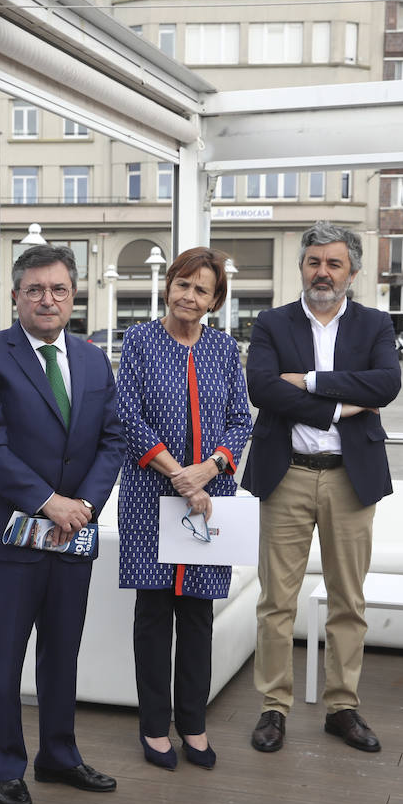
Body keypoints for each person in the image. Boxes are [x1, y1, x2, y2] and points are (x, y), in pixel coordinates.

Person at [0, 243, 124, 804]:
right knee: (2, 661)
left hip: (74, 531)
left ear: (73, 296)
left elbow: (113, 439)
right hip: (9, 538)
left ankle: (59, 755)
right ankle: (6, 767)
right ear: (15, 297)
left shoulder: (94, 359)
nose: (46, 299)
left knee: (62, 654)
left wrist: (84, 506)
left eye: (57, 289)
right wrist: (48, 501)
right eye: (35, 289)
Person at [240, 221, 401, 755]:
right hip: (285, 475)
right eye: (314, 261)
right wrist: (339, 404)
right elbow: (261, 387)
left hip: (350, 479)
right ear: (302, 267)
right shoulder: (271, 323)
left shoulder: (376, 324)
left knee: (348, 600)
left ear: (352, 271)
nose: (322, 272)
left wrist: (306, 381)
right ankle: (274, 707)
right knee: (276, 602)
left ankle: (342, 706)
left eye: (334, 263)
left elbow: (386, 384)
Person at [115, 247, 251, 772]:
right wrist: (179, 474)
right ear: (168, 285)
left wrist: (208, 470)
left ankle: (192, 723)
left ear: (215, 300)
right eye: (182, 284)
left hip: (209, 501)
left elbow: (241, 421)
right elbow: (129, 416)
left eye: (202, 289)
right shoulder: (140, 341)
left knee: (197, 617)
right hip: (152, 497)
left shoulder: (223, 348)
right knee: (152, 616)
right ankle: (153, 728)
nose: (189, 296)